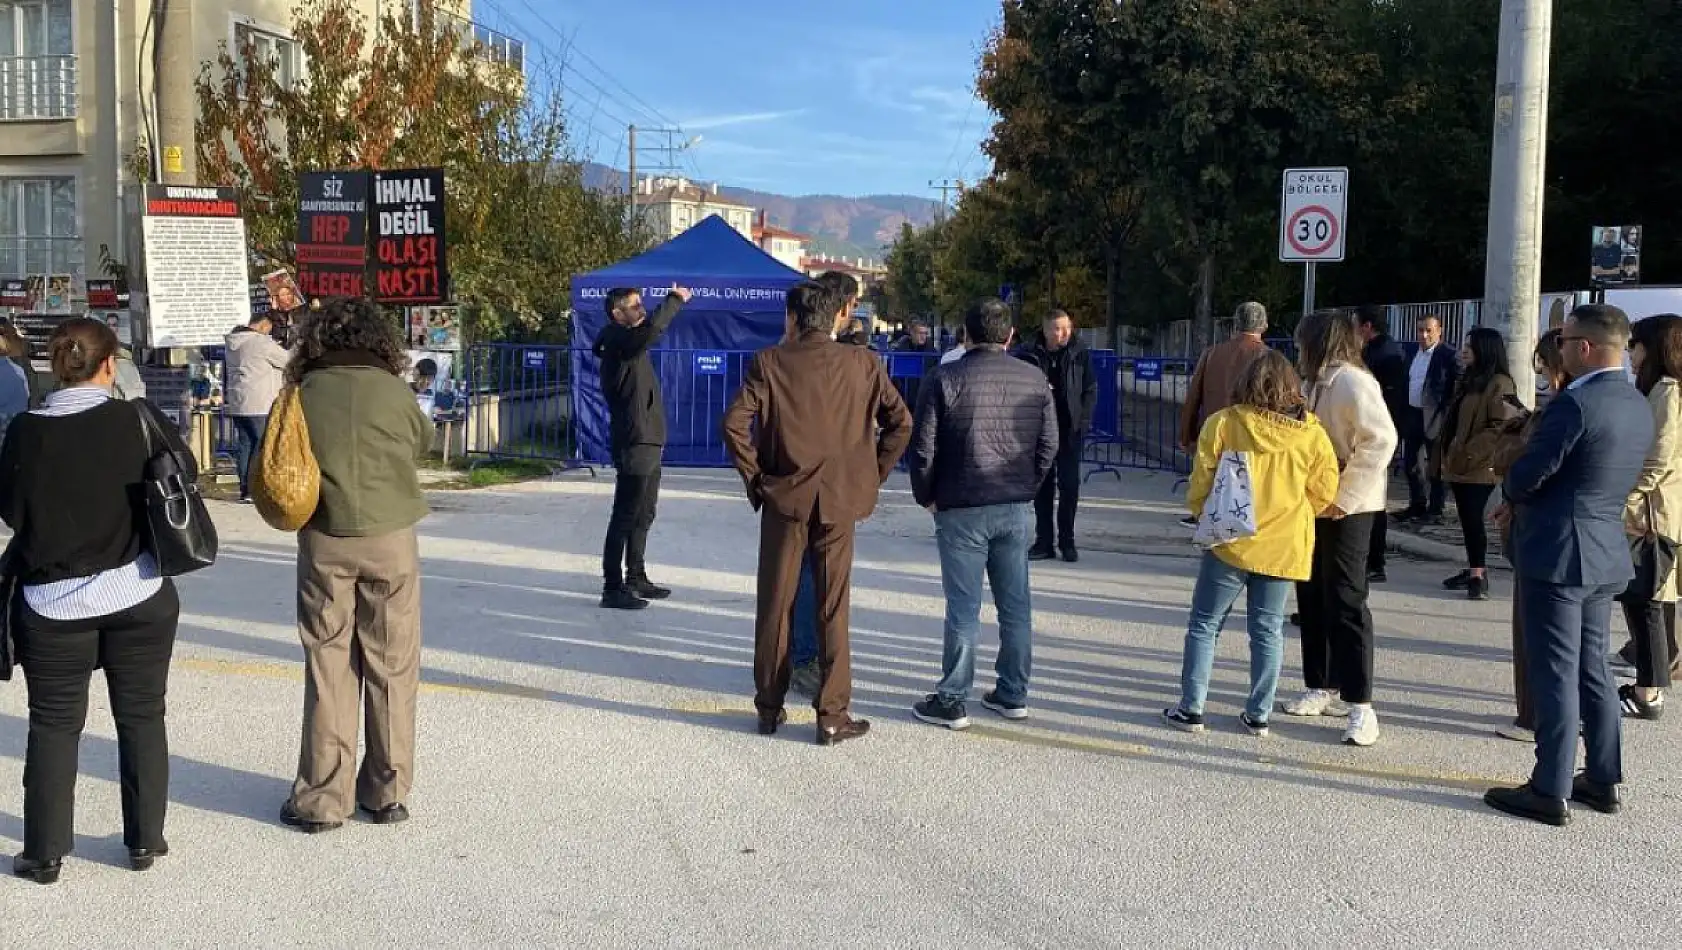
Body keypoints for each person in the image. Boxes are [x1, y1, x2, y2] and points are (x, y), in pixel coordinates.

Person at [0, 317, 188, 885]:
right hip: (139, 590)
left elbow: (12, 511)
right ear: (109, 365)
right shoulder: (135, 419)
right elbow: (184, 474)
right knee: (141, 716)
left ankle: (45, 852)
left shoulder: (26, 432)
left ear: (56, 367)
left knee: (54, 725)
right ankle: (144, 841)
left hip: (55, 602)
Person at [722, 282, 912, 747]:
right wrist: (871, 474)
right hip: (840, 500)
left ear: (793, 318)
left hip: (785, 498)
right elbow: (900, 423)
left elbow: (733, 424)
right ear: (837, 317)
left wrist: (759, 481)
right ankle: (832, 713)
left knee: (776, 603)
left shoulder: (770, 361)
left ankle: (768, 705)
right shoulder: (864, 363)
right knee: (833, 607)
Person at [1485, 304, 1653, 827]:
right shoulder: (1636, 402)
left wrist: (1510, 488)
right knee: (1593, 669)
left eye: (1563, 341)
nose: (1557, 350)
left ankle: (1549, 786)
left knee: (1555, 671)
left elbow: (1532, 471)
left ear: (1584, 346)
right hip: (1603, 549)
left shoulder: (1575, 404)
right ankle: (1602, 778)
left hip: (1559, 551)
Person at [280, 297, 433, 834]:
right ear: (378, 340)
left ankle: (324, 797)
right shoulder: (394, 390)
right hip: (390, 537)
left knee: (329, 665)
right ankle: (387, 792)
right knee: (391, 666)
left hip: (324, 536)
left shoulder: (301, 393)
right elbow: (424, 441)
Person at [1165, 351, 1340, 736]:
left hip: (1230, 541)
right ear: (1293, 388)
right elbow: (1326, 488)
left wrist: (1200, 512)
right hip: (1282, 545)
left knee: (1205, 625)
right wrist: (1295, 510)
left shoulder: (1225, 423)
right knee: (1267, 630)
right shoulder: (1312, 434)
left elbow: (1203, 477)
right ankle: (1258, 715)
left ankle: (1192, 707)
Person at [907, 298, 1057, 729]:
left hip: (961, 503)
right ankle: (1013, 693)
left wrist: (926, 496)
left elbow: (923, 448)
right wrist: (1030, 486)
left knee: (963, 607)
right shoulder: (1033, 378)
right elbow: (1049, 444)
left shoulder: (944, 378)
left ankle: (952, 698)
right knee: (1016, 606)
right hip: (1013, 503)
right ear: (1009, 336)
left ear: (966, 335)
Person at [1280, 310, 1398, 747]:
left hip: (1351, 506)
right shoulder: (1310, 381)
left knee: (1347, 599)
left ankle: (1361, 705)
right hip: (1312, 502)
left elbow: (1381, 440)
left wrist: (1344, 496)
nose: (1296, 349)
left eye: (1300, 341)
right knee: (1310, 594)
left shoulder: (1352, 381)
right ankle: (1320, 683)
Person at [1490, 329, 1570, 743]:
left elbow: (1529, 470)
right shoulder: (1604, 404)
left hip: (1542, 532)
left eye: (1542, 364)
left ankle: (1534, 718)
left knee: (1534, 632)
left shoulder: (1559, 411)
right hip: (1571, 537)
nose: (1539, 372)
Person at [593, 284, 692, 610]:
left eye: (641, 304)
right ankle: (612, 586)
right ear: (617, 314)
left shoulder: (627, 341)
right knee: (625, 514)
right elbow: (651, 332)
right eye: (635, 306)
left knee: (644, 512)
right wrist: (675, 301)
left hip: (649, 439)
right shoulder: (619, 341)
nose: (642, 310)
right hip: (635, 441)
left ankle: (636, 575)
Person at [1615, 313, 1682, 721]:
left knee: (1648, 604)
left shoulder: (1669, 393)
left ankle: (1649, 693)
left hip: (1652, 517)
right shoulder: (1659, 390)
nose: (1631, 356)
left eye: (1635, 346)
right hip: (1650, 513)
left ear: (1654, 347)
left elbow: (1657, 461)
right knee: (1647, 602)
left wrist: (1621, 497)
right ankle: (1650, 683)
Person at [1435, 327, 1517, 602]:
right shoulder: (1469, 379)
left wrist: (1469, 453)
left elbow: (1500, 426)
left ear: (1486, 348)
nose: (1464, 349)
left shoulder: (1500, 383)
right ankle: (1473, 568)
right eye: (1464, 344)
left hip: (1478, 466)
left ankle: (1478, 575)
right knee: (1467, 520)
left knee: (1473, 520)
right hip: (1459, 463)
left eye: (1471, 345)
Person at [1015, 309, 1097, 562]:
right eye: (1058, 329)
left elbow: (1090, 388)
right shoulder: (1029, 353)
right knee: (1042, 487)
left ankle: (1067, 541)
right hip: (1040, 431)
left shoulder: (1079, 352)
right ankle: (1043, 542)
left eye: (1067, 328)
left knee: (1070, 486)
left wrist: (1083, 420)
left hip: (1069, 430)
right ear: (1046, 329)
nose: (1063, 334)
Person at [1356, 307, 1408, 583]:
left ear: (1367, 326)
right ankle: (1372, 559)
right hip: (1377, 432)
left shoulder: (1384, 354)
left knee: (1373, 501)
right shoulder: (1379, 350)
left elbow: (1388, 400)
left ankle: (1375, 561)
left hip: (1376, 435)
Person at [224, 311, 292, 503]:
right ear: (263, 325)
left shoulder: (233, 342)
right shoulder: (261, 343)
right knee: (260, 446)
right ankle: (256, 488)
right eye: (269, 329)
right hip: (260, 402)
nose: (269, 333)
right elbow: (288, 361)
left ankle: (245, 489)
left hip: (238, 402)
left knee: (245, 445)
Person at [1396, 314, 1458, 523]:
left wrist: (1447, 415)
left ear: (1439, 331)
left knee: (1436, 465)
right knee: (1412, 463)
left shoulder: (1448, 355)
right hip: (1413, 413)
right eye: (1420, 330)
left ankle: (1436, 508)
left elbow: (1454, 388)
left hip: (1435, 417)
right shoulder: (1412, 352)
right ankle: (1417, 504)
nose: (1424, 335)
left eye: (1428, 330)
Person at [1, 318, 47, 407]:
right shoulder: (22, 340)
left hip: (8, 367)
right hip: (25, 368)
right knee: (32, 395)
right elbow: (33, 350)